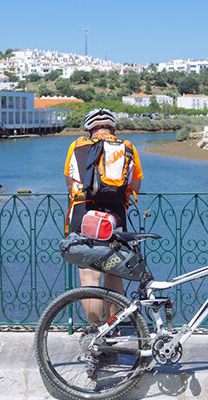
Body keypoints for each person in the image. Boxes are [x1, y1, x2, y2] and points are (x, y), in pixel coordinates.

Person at [64, 108, 143, 323]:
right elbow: (135, 183)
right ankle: (113, 329)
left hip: (84, 212)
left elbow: (70, 182)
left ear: (89, 130)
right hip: (115, 214)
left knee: (89, 275)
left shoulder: (77, 146)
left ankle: (95, 333)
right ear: (113, 129)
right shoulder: (128, 148)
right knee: (114, 272)